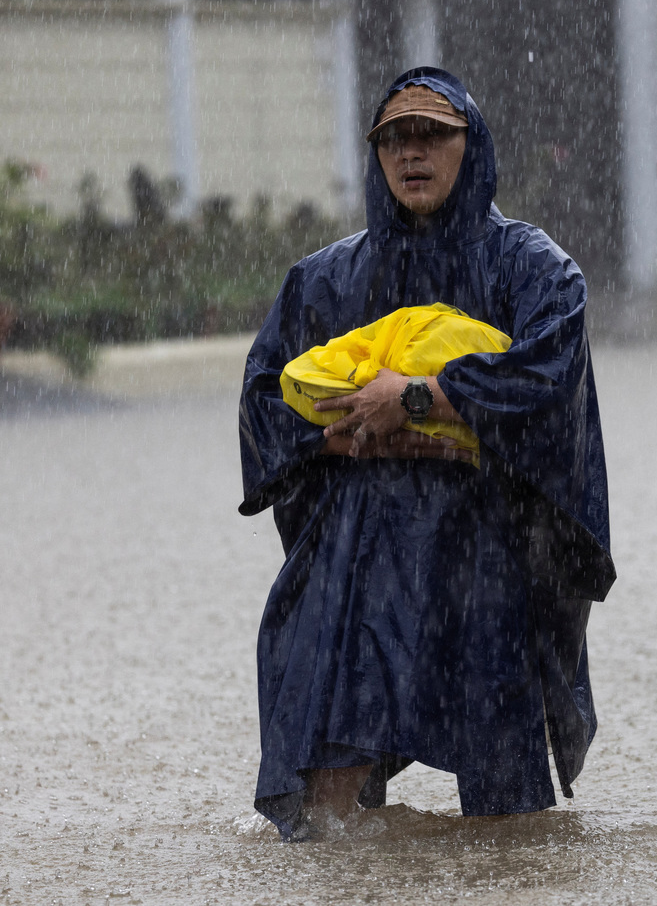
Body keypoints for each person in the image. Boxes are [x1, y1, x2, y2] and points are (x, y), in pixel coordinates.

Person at [238, 67, 615, 841]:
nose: (411, 152)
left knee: (508, 823)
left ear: (472, 146)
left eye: (432, 134)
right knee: (328, 802)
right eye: (393, 139)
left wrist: (420, 397)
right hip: (356, 553)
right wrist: (341, 432)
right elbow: (264, 399)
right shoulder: (325, 279)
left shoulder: (531, 266)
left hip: (487, 552)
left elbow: (548, 373)